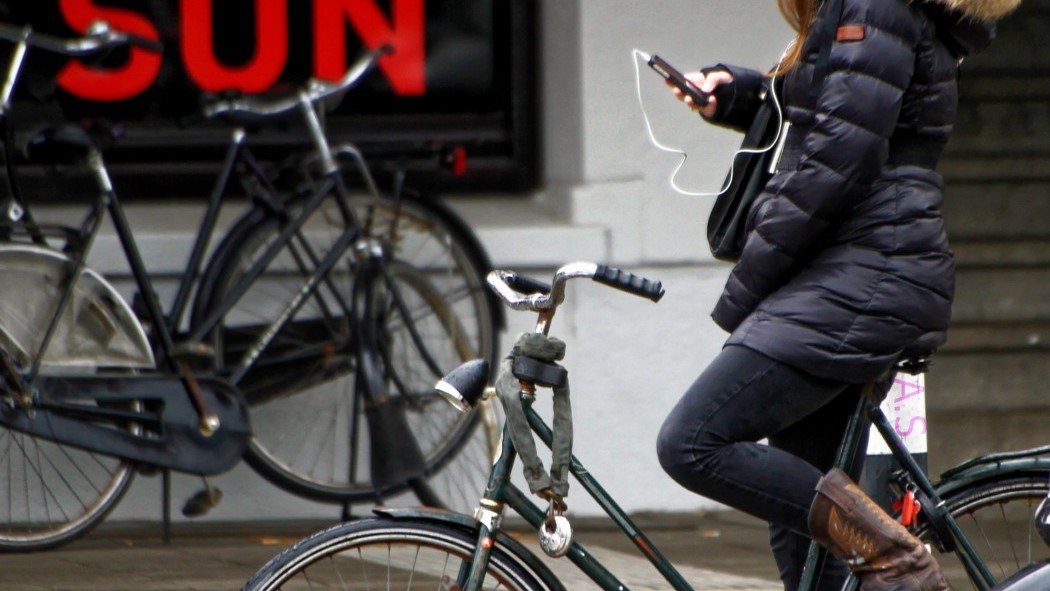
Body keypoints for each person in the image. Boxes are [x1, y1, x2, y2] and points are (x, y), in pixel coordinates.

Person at [655, 0, 1020, 590]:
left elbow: (838, 158)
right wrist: (741, 94)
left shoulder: (874, 5)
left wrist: (752, 277)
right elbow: (842, 108)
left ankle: (893, 551)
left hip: (862, 273)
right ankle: (877, 548)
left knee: (693, 441)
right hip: (853, 269)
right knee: (805, 535)